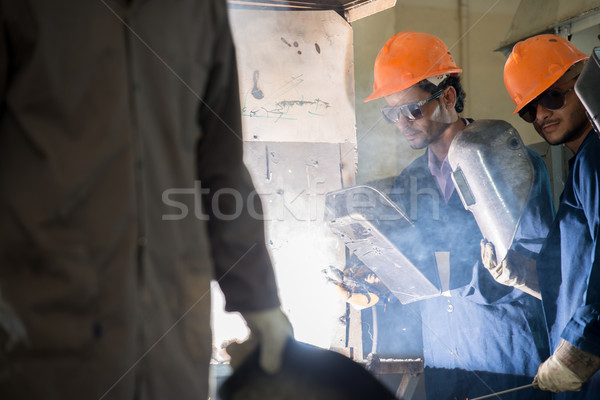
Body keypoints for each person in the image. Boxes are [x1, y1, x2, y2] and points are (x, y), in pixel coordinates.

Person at [0, 1, 291, 399]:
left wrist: (258, 299)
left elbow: (222, 168)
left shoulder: (199, 9)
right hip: (46, 338)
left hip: (172, 343)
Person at [362, 31, 554, 400]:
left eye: (411, 109)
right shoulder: (411, 181)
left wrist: (446, 278)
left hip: (503, 358)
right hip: (443, 364)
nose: (402, 122)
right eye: (392, 114)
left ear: (447, 96)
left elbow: (536, 268)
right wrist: (376, 281)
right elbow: (411, 261)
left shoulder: (508, 162)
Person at [501, 34, 600, 399]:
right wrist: (526, 275)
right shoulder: (582, 164)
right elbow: (581, 269)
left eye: (553, 96)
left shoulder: (595, 158)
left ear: (586, 84)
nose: (541, 114)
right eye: (530, 109)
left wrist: (582, 345)